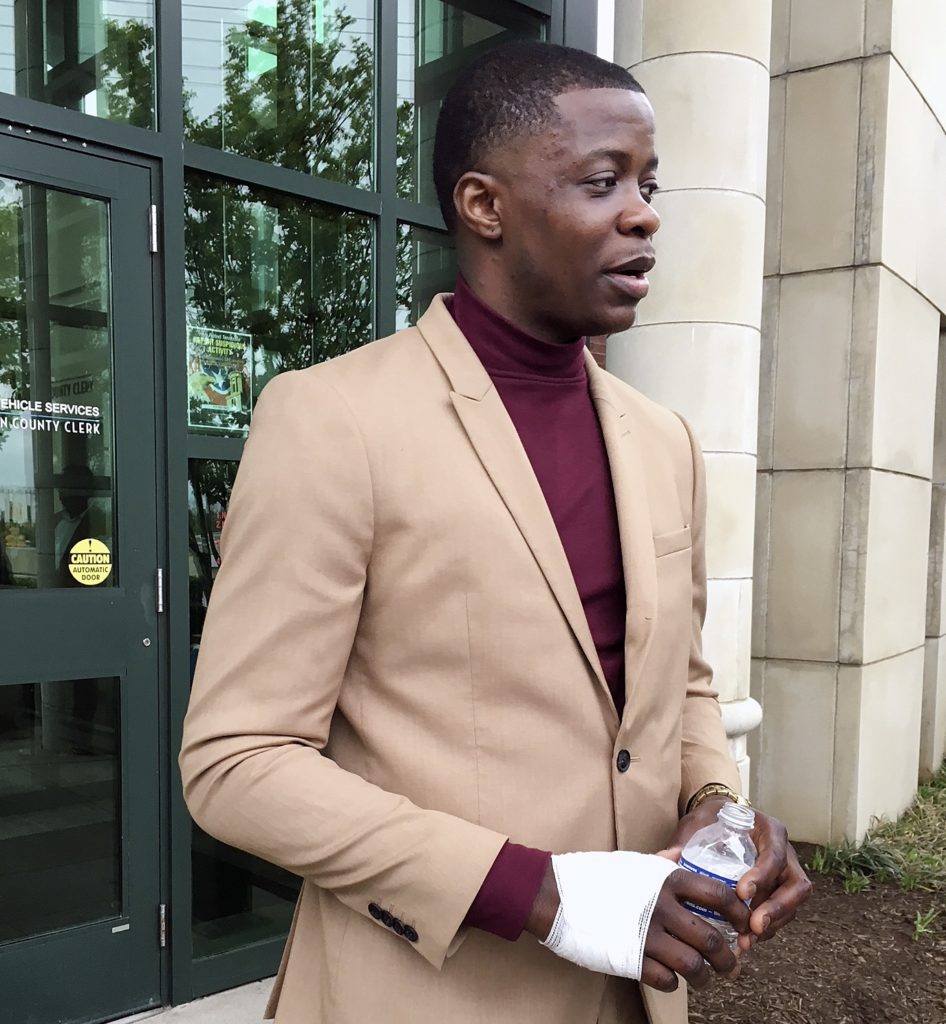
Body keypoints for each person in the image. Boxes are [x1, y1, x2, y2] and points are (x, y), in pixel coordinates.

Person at [179, 42, 811, 1024]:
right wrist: (543, 894)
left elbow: (679, 684)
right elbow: (238, 763)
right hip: (427, 995)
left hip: (640, 997)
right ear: (484, 205)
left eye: (650, 184)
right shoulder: (332, 419)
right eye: (602, 182)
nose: (643, 212)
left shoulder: (664, 441)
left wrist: (716, 813)